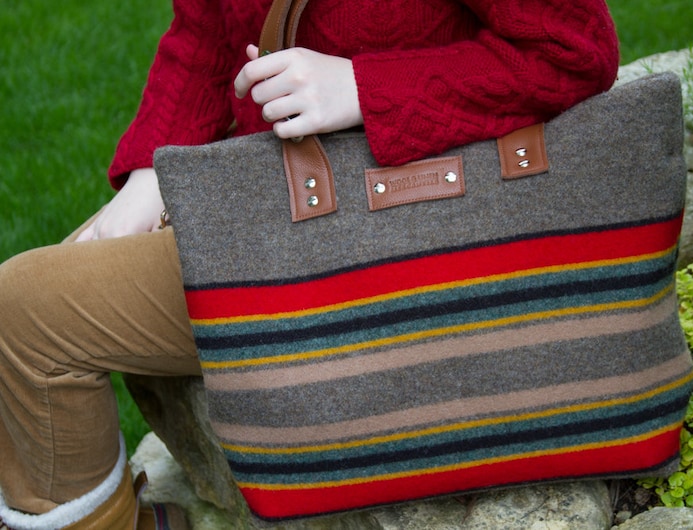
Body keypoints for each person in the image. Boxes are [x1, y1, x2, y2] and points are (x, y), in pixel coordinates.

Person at [0, 0, 619, 527]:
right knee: (58, 274)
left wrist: (362, 86)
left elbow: (576, 48)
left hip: (418, 219)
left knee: (25, 314)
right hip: (282, 193)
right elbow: (204, 34)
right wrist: (150, 175)